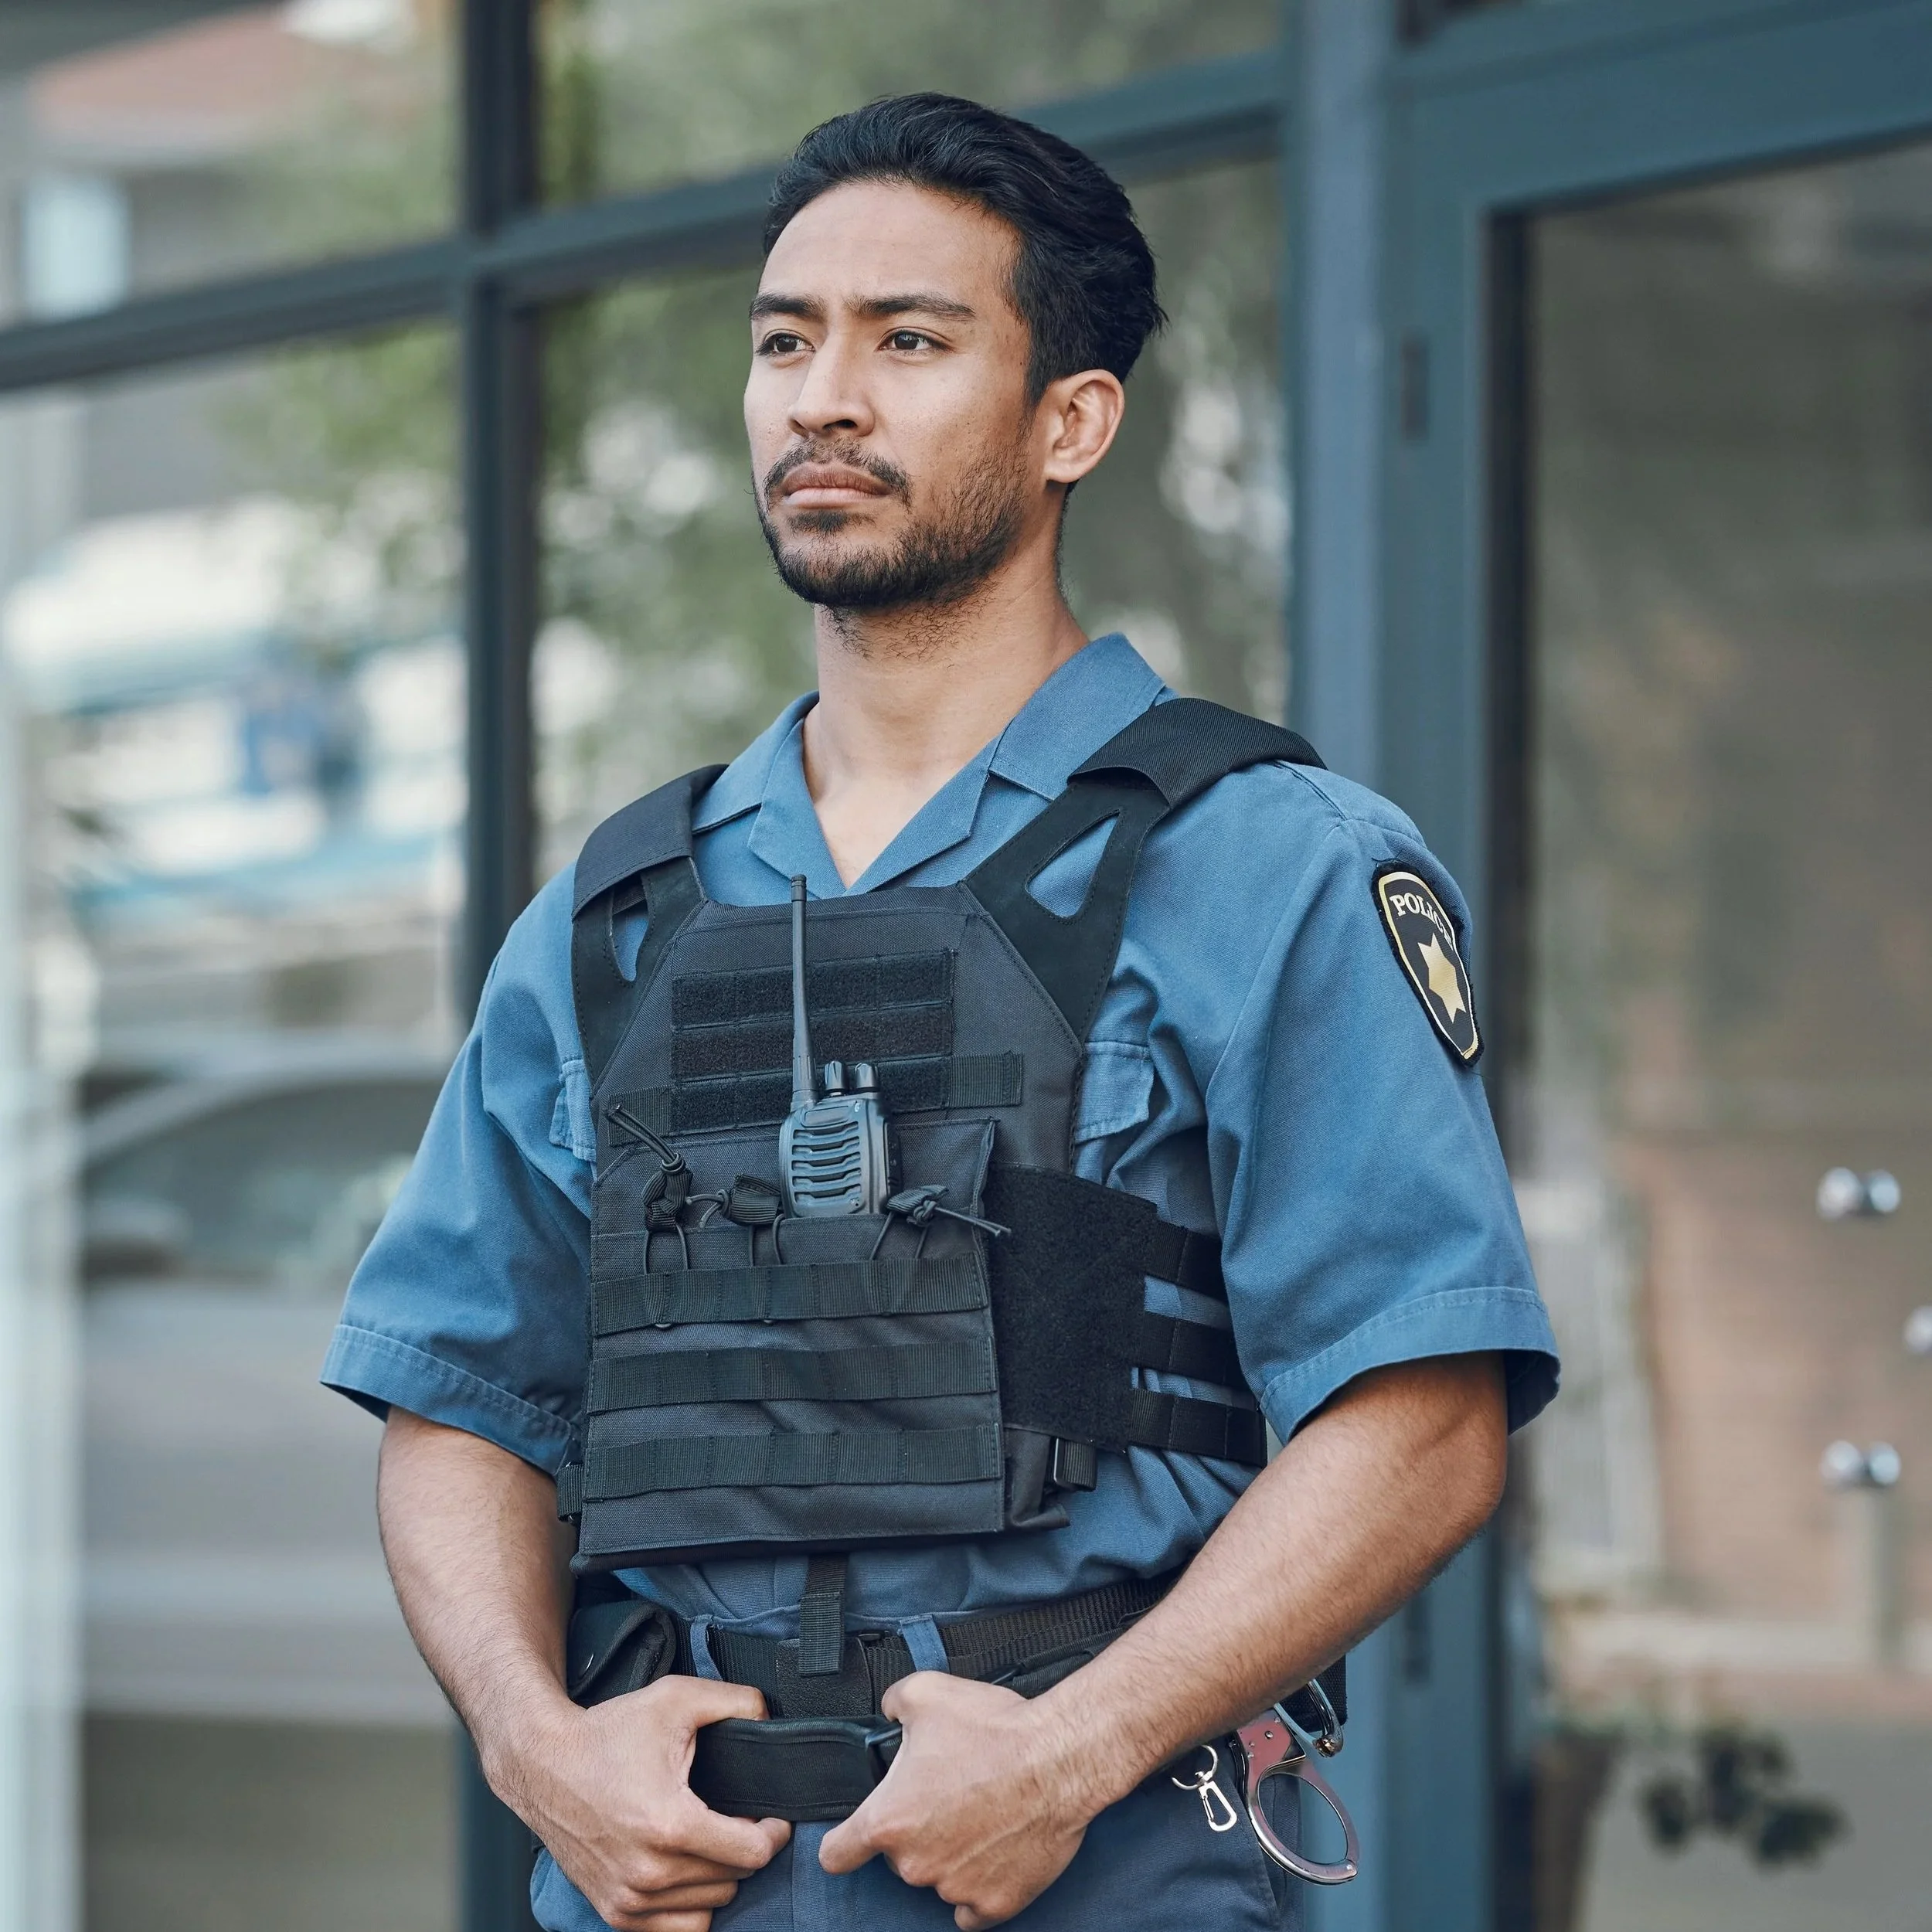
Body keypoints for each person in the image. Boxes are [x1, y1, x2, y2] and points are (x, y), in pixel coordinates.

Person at [325, 93, 1559, 1932]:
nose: (823, 394)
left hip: (1102, 1865)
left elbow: (1421, 1405)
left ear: (1070, 419)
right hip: (667, 1884)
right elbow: (460, 1398)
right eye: (782, 339)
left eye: (908, 339)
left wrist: (1071, 1753)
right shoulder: (613, 910)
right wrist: (531, 1744)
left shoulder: (1266, 861)